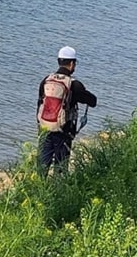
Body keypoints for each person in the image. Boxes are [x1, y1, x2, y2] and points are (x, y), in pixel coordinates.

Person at [36, 46, 97, 174]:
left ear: (59, 61)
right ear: (72, 63)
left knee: (42, 167)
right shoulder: (74, 84)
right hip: (64, 132)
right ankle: (58, 191)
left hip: (45, 129)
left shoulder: (46, 80)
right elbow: (92, 101)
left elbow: (39, 104)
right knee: (60, 168)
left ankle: (38, 190)